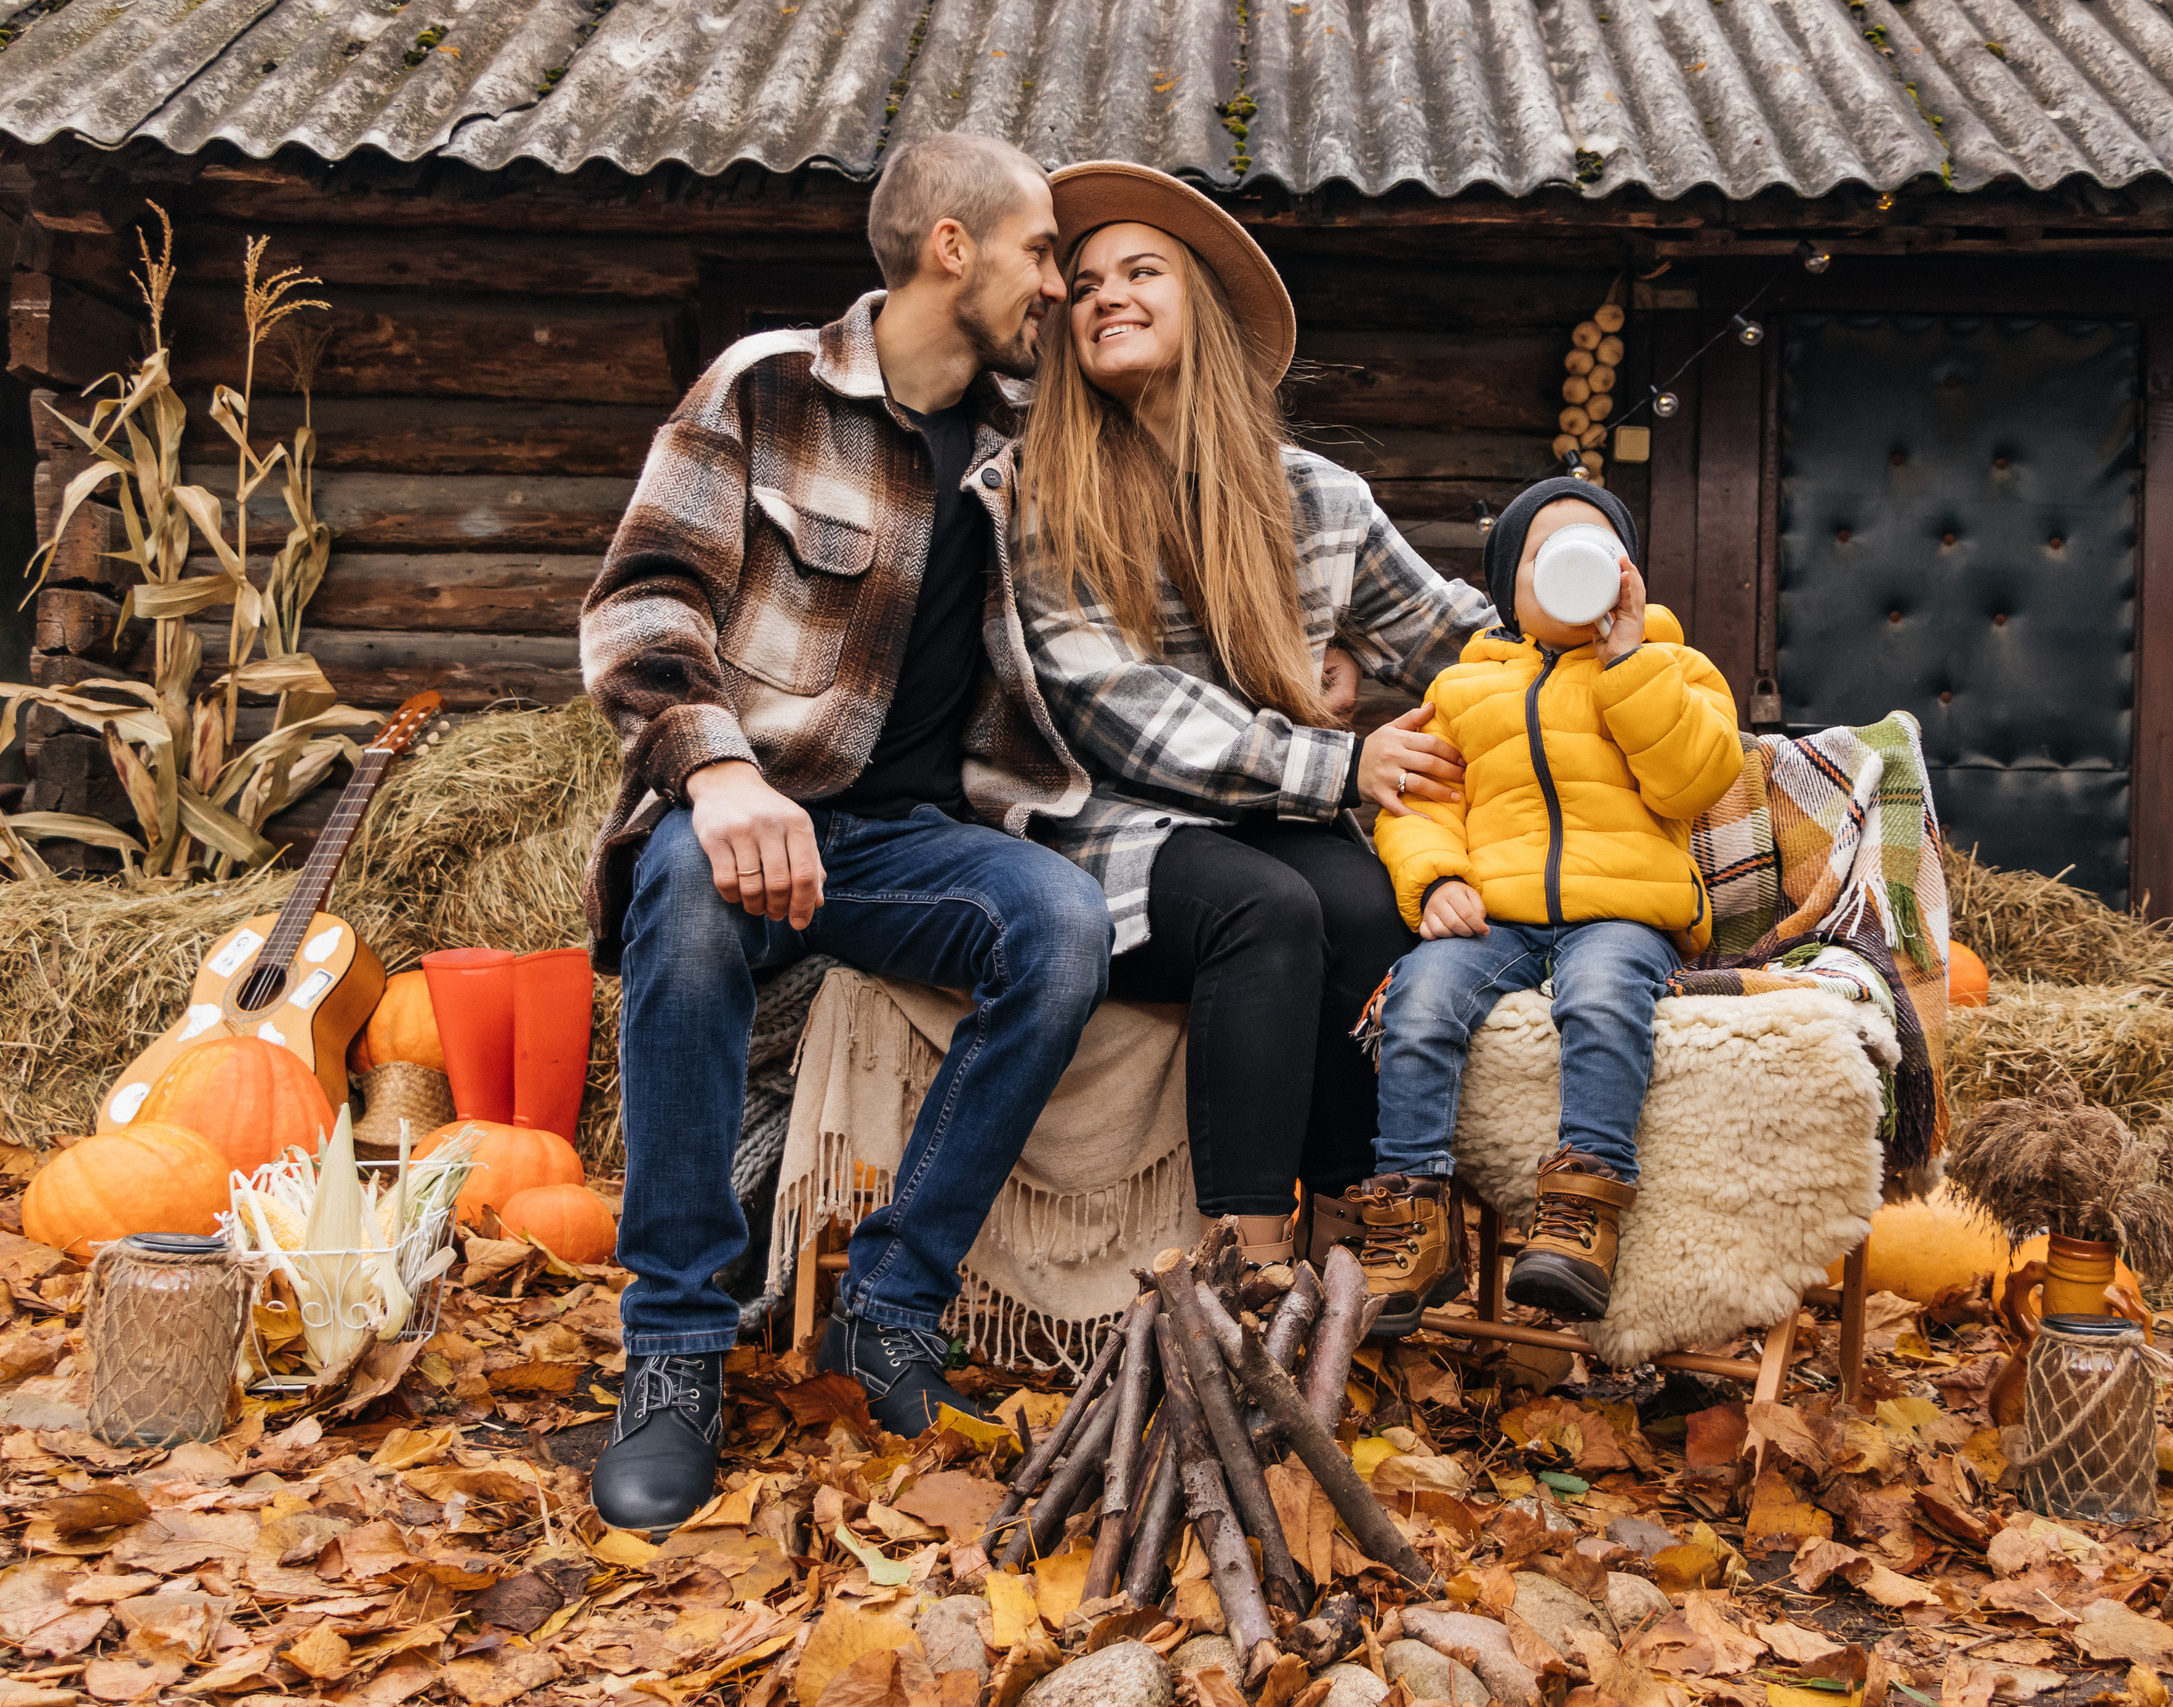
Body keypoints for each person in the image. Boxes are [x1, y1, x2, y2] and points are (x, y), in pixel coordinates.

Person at [578, 133, 1115, 1533]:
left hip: (907, 842)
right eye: (1041, 251)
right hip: (742, 810)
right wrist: (719, 773)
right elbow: (641, 601)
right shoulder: (766, 387)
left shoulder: (1027, 449)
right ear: (953, 246)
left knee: (1057, 925)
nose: (1054, 283)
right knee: (691, 894)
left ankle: (889, 1302)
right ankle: (679, 1347)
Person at [1012, 162, 1495, 1268]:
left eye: (1142, 271)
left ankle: (1355, 1245)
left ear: (1207, 313)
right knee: (1265, 911)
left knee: (1373, 909)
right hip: (1107, 827)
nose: (1104, 296)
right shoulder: (1041, 496)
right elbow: (1110, 705)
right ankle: (1242, 1267)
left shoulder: (1316, 498)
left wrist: (1611, 650)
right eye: (1082, 283)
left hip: (1271, 813)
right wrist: (1338, 764)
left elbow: (1448, 633)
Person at [1356, 479, 1745, 1334]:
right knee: (1418, 996)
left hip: (1625, 911)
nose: (1574, 571)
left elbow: (1696, 778)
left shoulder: (1674, 667)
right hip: (1499, 912)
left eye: (1598, 552)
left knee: (1601, 994)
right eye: (1545, 556)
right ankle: (1414, 1222)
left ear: (1627, 575)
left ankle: (1581, 1219)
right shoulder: (1466, 689)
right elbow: (1422, 802)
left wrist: (1629, 663)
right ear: (1509, 590)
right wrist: (1438, 879)